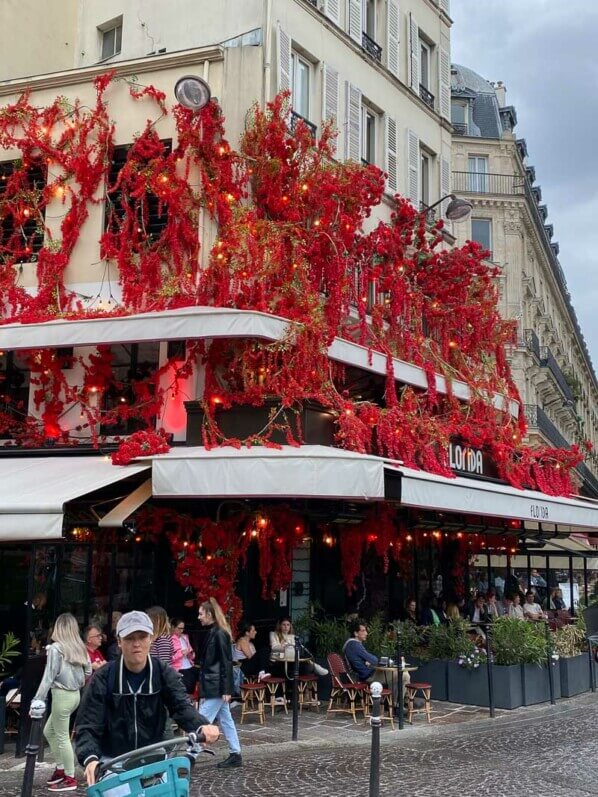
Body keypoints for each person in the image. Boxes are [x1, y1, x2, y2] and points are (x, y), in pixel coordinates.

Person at [74, 610, 219, 786]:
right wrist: (90, 758)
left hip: (153, 755)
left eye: (142, 637)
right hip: (113, 760)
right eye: (129, 638)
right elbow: (88, 723)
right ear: (119, 642)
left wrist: (200, 725)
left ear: (151, 639)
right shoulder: (104, 677)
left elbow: (181, 706)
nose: (137, 644)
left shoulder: (163, 672)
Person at [30, 613, 91, 792]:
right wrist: (78, 681)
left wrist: (37, 700)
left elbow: (48, 677)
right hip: (74, 695)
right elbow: (88, 672)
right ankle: (61, 769)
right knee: (49, 731)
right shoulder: (80, 647)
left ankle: (70, 778)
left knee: (62, 736)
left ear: (59, 627)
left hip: (61, 695)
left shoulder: (56, 649)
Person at [197, 598, 243, 769]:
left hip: (216, 686)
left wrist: (226, 688)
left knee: (200, 720)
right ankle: (235, 753)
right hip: (215, 684)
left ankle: (189, 757)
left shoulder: (219, 634)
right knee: (226, 720)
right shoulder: (214, 632)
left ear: (210, 614)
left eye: (201, 613)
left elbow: (226, 662)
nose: (199, 617)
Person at [343, 619, 409, 704]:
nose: (366, 633)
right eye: (363, 631)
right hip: (369, 676)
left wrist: (368, 661)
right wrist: (369, 661)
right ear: (356, 633)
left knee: (399, 675)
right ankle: (399, 704)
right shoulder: (354, 645)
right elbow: (374, 660)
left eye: (366, 630)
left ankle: (396, 703)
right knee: (404, 675)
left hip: (368, 673)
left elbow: (370, 660)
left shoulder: (351, 645)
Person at [171, 617, 197, 695]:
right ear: (173, 627)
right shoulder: (169, 639)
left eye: (183, 628)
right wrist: (181, 653)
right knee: (180, 693)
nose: (181, 631)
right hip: (178, 669)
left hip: (189, 667)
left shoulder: (185, 637)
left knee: (190, 692)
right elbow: (169, 658)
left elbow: (192, 654)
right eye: (179, 628)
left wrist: (190, 654)